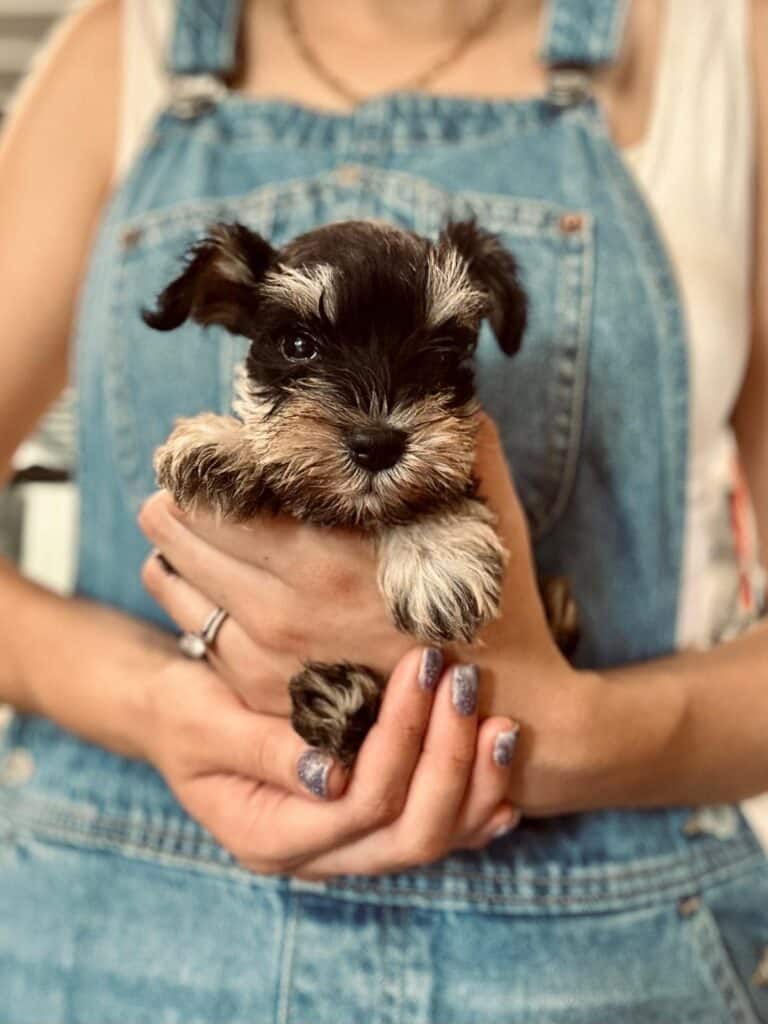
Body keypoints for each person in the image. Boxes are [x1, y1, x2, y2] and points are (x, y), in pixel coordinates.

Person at [0, 0, 767, 1018]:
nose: (373, 419)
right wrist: (152, 703)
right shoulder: (122, 49)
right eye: (306, 353)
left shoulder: (731, 44)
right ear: (223, 304)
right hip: (123, 935)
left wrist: (576, 731)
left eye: (441, 354)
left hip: (595, 953)